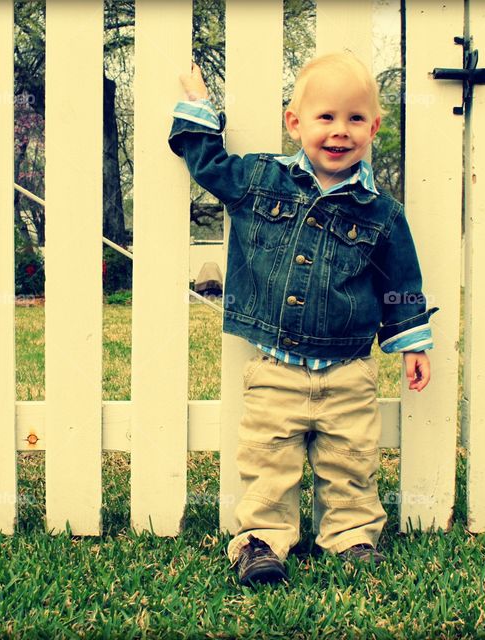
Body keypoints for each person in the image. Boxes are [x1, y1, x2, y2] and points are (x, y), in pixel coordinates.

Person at [168, 52, 439, 587]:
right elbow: (211, 167)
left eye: (355, 119)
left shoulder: (381, 212)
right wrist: (199, 110)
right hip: (279, 367)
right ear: (296, 123)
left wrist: (412, 344)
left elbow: (401, 282)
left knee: (351, 462)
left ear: (373, 128)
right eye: (326, 118)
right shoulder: (263, 180)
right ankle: (262, 544)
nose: (340, 132)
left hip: (349, 373)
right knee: (269, 463)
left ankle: (353, 539)